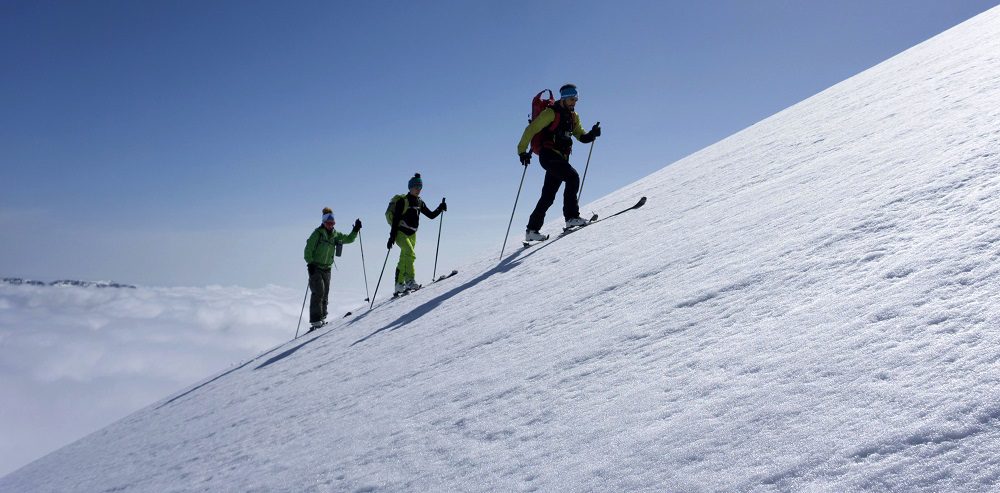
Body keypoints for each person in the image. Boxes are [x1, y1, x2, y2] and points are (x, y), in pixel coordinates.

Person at [516, 83, 601, 241]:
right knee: (572, 177)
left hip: (560, 158)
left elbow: (580, 135)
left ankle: (532, 230)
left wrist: (591, 135)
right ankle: (571, 217)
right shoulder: (550, 113)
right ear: (563, 99)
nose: (573, 102)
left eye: (575, 99)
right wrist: (522, 151)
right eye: (570, 99)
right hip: (548, 156)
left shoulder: (573, 117)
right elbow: (531, 130)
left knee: (548, 196)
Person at [386, 173, 445, 295]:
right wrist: (392, 237)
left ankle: (398, 284)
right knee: (410, 254)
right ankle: (409, 281)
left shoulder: (419, 202)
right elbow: (396, 219)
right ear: (410, 187)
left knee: (404, 258)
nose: (418, 189)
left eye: (420, 187)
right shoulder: (403, 201)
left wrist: (440, 208)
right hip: (400, 232)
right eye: (416, 186)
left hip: (412, 234)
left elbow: (431, 215)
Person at [304, 207, 361, 330]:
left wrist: (355, 229)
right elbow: (308, 249)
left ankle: (322, 317)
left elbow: (349, 239)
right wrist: (310, 264)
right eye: (329, 223)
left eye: (332, 223)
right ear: (324, 223)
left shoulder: (335, 235)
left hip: (327, 268)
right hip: (316, 267)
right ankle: (315, 320)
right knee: (318, 291)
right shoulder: (317, 234)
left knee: (325, 293)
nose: (331, 225)